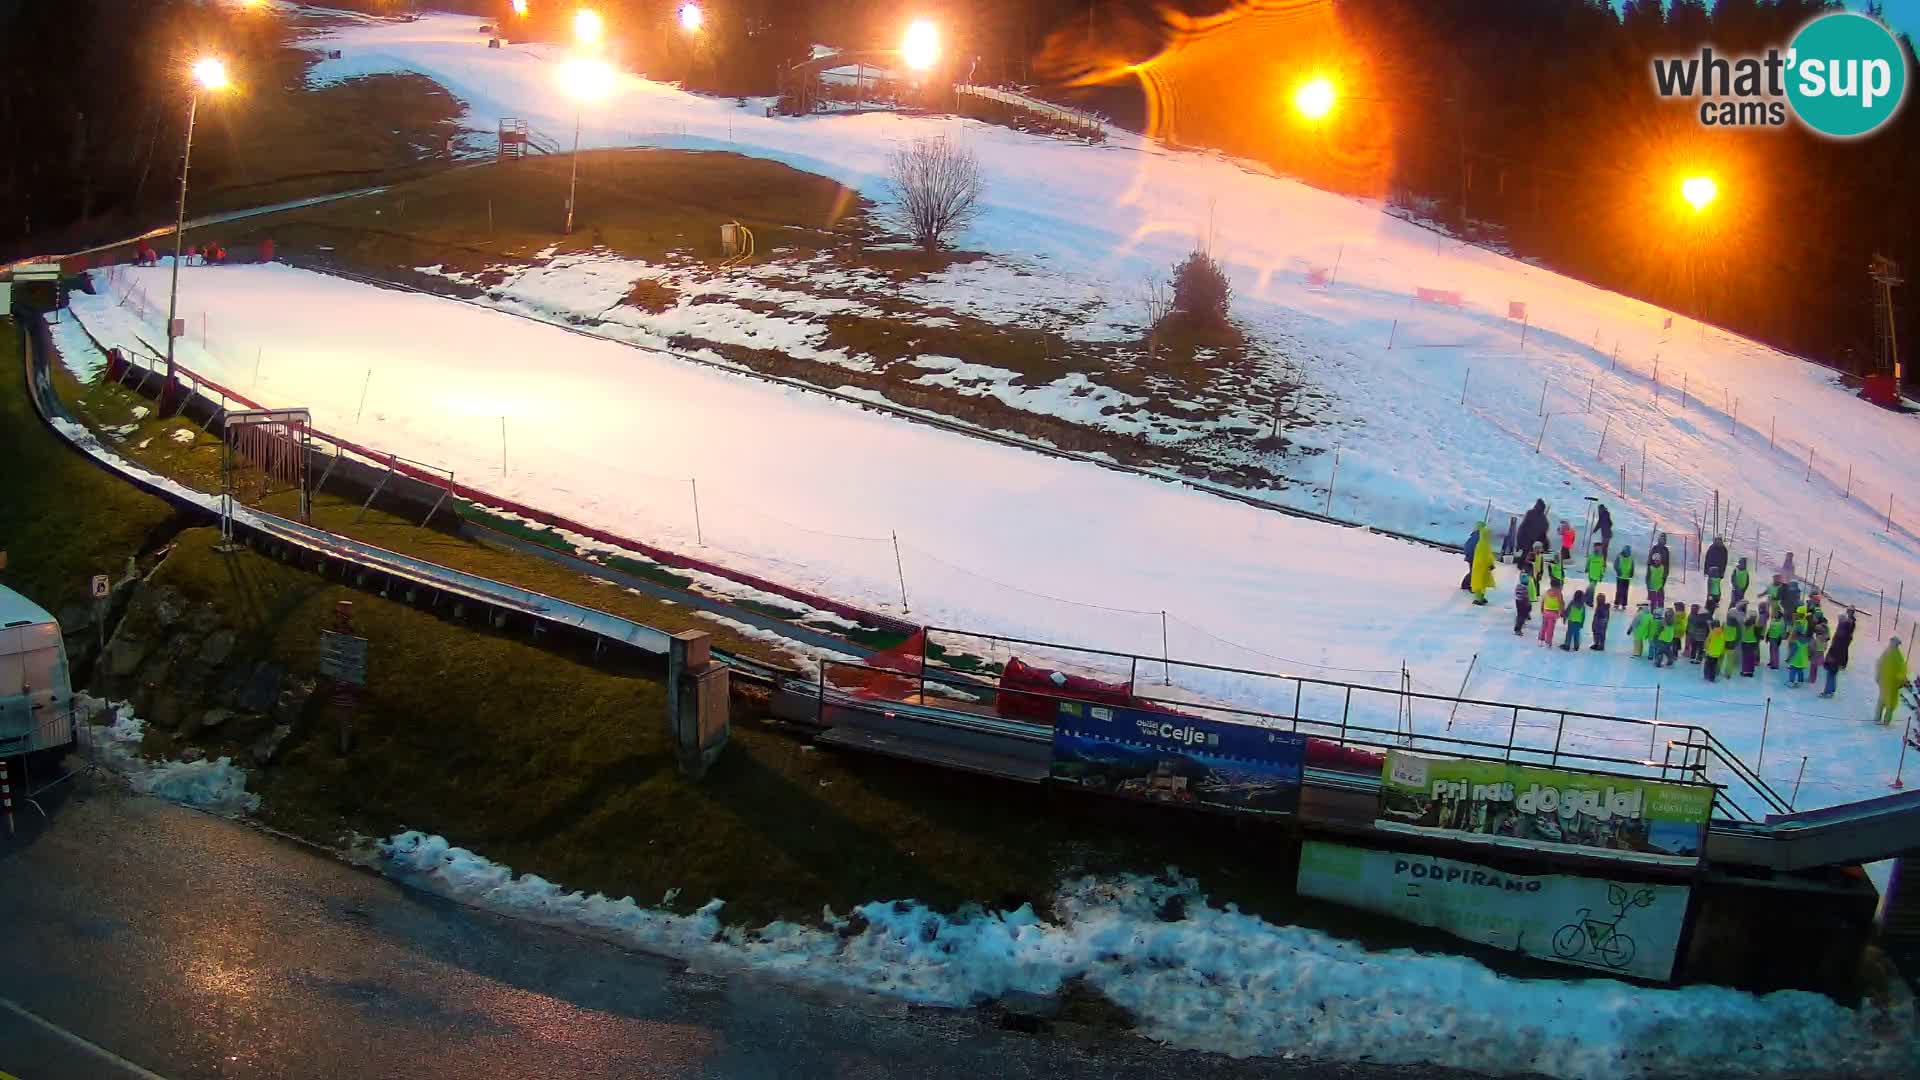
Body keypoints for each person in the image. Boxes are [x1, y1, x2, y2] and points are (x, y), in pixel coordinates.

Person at [1821, 612, 1856, 698]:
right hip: (1838, 658)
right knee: (1833, 674)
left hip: (1834, 657)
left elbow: (1834, 647)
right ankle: (1832, 690)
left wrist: (1829, 657)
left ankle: (1827, 692)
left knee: (1830, 675)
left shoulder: (1840, 635)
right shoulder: (1846, 635)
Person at [1876, 638, 1909, 725]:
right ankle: (1886, 720)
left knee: (1882, 701)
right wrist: (1902, 680)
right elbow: (1902, 670)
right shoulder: (1897, 656)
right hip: (1891, 684)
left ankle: (1878, 718)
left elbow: (1879, 664)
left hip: (1886, 683)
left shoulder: (1887, 653)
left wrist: (1878, 677)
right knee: (1889, 703)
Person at [1469, 522, 1496, 605]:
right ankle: (1482, 597)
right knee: (1483, 583)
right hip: (1485, 566)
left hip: (1479, 566)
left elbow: (1483, 556)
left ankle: (1478, 599)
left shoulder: (1481, 544)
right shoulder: (1487, 544)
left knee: (1478, 583)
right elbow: (1489, 555)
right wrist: (1491, 563)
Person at [1704, 535, 1728, 615]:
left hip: (1718, 573)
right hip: (1711, 572)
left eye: (1719, 541)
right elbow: (1707, 559)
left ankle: (1714, 602)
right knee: (1711, 588)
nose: (1717, 542)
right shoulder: (1712, 548)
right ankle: (1710, 603)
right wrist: (1706, 570)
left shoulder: (1723, 550)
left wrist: (1722, 572)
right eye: (1716, 540)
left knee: (1716, 588)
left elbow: (1725, 562)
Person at [1539, 581, 1564, 646]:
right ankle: (1548, 641)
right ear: (1558, 586)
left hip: (1546, 611)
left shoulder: (1547, 592)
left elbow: (1543, 601)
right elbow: (1561, 603)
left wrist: (1542, 609)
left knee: (1543, 626)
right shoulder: (1559, 593)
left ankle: (1541, 639)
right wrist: (1561, 611)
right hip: (1554, 613)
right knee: (1550, 628)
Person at [1740, 602, 1761, 677]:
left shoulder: (1745, 624)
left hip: (1745, 642)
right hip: (1753, 643)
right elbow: (1758, 635)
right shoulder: (1756, 626)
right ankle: (1750, 672)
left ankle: (1744, 671)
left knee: (1745, 657)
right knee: (1752, 658)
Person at [1766, 602, 1787, 669]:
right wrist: (1767, 636)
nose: (1775, 615)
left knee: (1775, 651)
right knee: (1771, 650)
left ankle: (1775, 665)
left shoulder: (1782, 622)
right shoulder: (1774, 620)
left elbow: (1782, 632)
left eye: (1777, 614)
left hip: (1776, 638)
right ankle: (1772, 662)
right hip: (1771, 637)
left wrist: (1780, 639)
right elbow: (1770, 629)